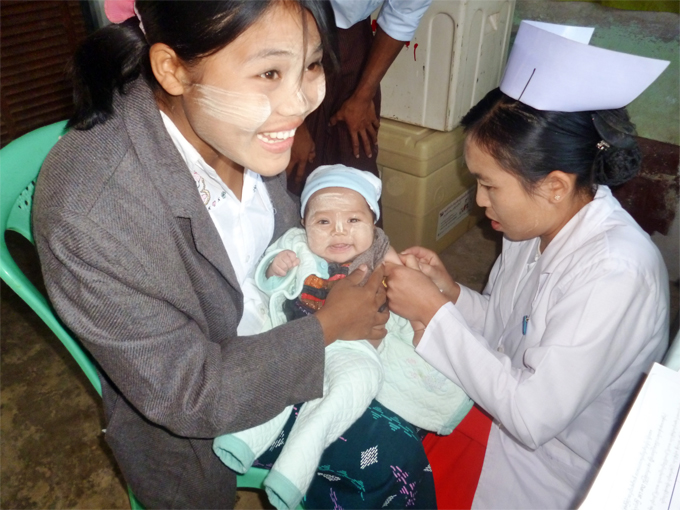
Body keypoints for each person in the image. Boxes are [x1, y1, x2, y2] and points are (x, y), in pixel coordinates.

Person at [29, 1, 427, 508]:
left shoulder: (232, 126)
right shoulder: (91, 211)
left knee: (425, 382)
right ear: (172, 69)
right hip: (212, 411)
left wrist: (379, 262)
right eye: (269, 72)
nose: (301, 103)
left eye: (310, 65)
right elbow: (189, 393)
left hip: (286, 327)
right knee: (392, 455)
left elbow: (294, 234)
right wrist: (327, 326)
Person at [383, 21, 670, 510]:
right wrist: (451, 294)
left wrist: (433, 314)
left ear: (553, 184)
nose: (479, 200)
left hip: (556, 472)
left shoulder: (616, 274)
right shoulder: (534, 223)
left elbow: (532, 417)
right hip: (504, 418)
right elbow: (507, 325)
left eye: (489, 185)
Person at [212, 164, 470, 509]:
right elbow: (267, 281)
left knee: (359, 383)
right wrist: (277, 267)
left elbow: (408, 292)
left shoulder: (379, 252)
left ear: (373, 224)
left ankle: (296, 466)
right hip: (301, 340)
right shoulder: (295, 245)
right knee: (284, 385)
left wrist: (414, 281)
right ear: (305, 224)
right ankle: (243, 441)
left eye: (353, 221)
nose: (339, 232)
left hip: (356, 351)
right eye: (323, 222)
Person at [286, 0, 433, 195]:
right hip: (285, 31)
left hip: (353, 40)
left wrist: (363, 97)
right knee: (295, 166)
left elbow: (401, 16)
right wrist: (291, 122)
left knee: (356, 163)